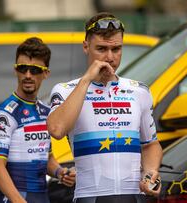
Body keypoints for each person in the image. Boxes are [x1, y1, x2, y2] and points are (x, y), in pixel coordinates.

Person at [47, 12, 163, 203]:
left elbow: (150, 144)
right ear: (86, 47)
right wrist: (86, 80)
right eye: (101, 49)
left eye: (116, 49)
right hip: (90, 196)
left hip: (134, 196)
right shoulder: (67, 90)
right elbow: (57, 129)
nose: (109, 57)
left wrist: (151, 172)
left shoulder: (139, 91)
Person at [0, 37, 76, 203]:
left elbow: (47, 158)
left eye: (34, 70)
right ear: (16, 70)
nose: (27, 75)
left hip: (41, 197)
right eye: (22, 68)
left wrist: (60, 173)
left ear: (45, 73)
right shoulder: (5, 113)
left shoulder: (45, 112)